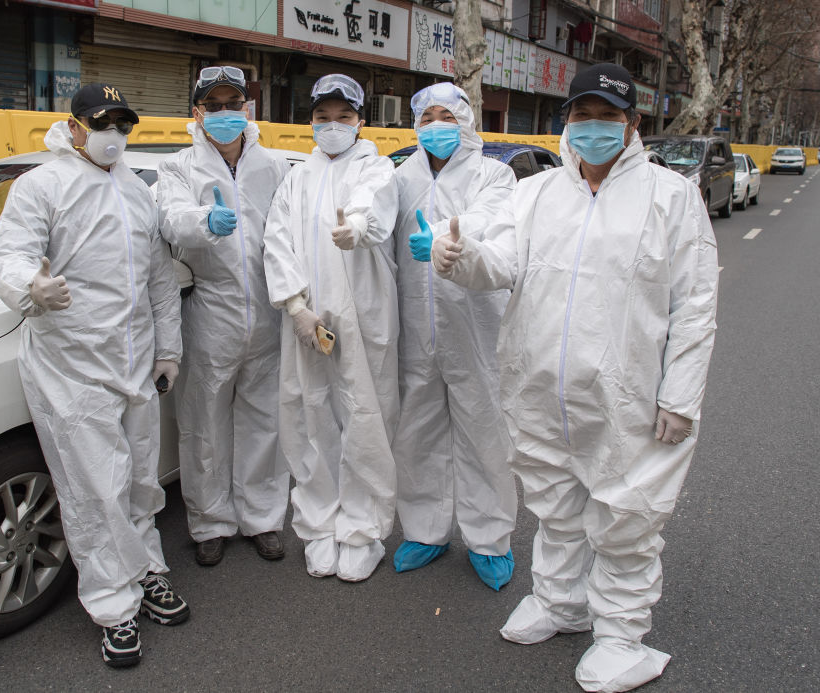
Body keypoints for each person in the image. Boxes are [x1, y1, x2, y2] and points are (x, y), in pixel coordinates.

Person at [431, 63, 718, 692]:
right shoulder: (536, 195)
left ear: (632, 124)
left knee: (625, 515)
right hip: (541, 388)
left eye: (607, 117)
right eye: (581, 116)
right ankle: (561, 603)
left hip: (631, 395)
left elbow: (695, 305)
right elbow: (500, 264)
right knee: (556, 505)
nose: (592, 129)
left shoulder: (671, 197)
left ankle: (621, 635)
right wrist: (461, 258)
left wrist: (681, 396)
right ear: (566, 122)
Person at [0, 83, 190, 668]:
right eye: (102, 124)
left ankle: (148, 570)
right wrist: (31, 287)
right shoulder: (42, 185)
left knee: (141, 480)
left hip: (134, 361)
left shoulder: (135, 189)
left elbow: (158, 279)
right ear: (73, 125)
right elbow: (10, 255)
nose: (113, 136)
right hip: (70, 367)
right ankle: (113, 607)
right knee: (94, 490)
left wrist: (168, 350)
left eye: (123, 126)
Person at [262, 74, 400, 582]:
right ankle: (319, 525)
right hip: (309, 319)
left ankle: (363, 532)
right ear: (311, 121)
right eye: (324, 117)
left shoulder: (377, 168)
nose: (333, 126)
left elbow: (375, 210)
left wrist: (356, 228)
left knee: (365, 417)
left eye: (344, 117)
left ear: (361, 121)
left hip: (363, 317)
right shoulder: (297, 177)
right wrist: (295, 305)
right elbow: (276, 241)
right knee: (308, 416)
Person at [157, 66, 291, 567]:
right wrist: (203, 222)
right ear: (196, 113)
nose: (225, 113)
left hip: (267, 312)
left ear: (247, 108)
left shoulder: (274, 168)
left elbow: (289, 236)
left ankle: (263, 518)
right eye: (213, 105)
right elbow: (169, 220)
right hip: (210, 310)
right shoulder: (179, 168)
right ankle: (210, 521)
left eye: (233, 103)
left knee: (264, 422)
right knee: (204, 423)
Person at [391, 82, 518, 590]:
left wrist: (443, 234)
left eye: (448, 115)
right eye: (427, 118)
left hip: (476, 325)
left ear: (466, 119)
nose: (437, 125)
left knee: (484, 434)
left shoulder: (496, 174)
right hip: (415, 327)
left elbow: (490, 224)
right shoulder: (400, 178)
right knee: (417, 434)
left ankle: (489, 538)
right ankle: (425, 530)